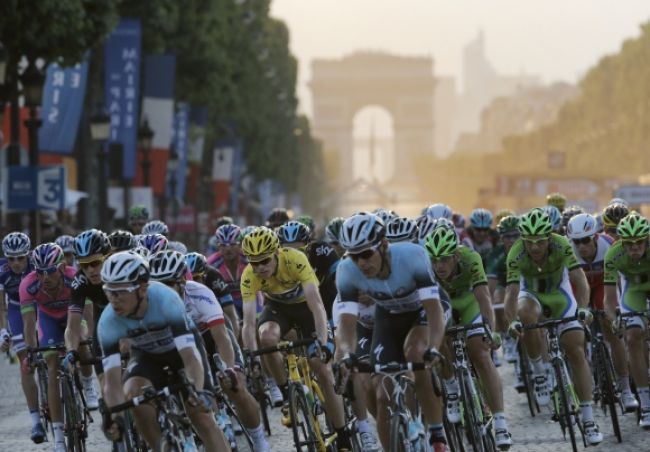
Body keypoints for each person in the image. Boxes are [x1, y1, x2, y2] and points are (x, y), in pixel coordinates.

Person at [335, 212, 448, 451]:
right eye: (354, 256)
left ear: (384, 245)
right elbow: (346, 323)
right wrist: (346, 353)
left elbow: (434, 310)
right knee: (383, 394)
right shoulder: (346, 270)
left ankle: (437, 432)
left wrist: (434, 348)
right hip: (388, 316)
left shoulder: (412, 256)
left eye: (366, 254)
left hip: (423, 310)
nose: (361, 263)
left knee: (416, 351)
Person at [98, 251, 229, 450]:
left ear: (142, 288)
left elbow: (190, 357)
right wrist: (116, 418)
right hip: (147, 356)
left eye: (121, 291)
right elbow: (112, 382)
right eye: (108, 291)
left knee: (200, 414)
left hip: (181, 352)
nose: (113, 299)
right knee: (133, 394)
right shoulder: (108, 322)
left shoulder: (167, 300)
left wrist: (196, 390)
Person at [239, 227, 353, 450]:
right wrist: (251, 356)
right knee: (266, 337)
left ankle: (343, 434)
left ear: (277, 252)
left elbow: (317, 306)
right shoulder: (249, 275)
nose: (260, 267)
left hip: (306, 310)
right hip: (278, 309)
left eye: (264, 261)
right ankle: (285, 392)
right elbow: (249, 321)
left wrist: (322, 341)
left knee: (321, 367)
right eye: (254, 263)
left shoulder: (296, 259)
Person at [150, 250, 270, 451]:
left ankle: (258, 440)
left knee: (236, 386)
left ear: (182, 280)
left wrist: (229, 370)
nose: (164, 289)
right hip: (177, 348)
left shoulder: (199, 293)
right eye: (159, 284)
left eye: (169, 283)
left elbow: (222, 338)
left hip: (211, 340)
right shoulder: (149, 301)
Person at [504, 208, 603, 445]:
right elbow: (511, 293)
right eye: (529, 242)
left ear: (549, 237)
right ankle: (539, 372)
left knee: (576, 350)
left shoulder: (561, 245)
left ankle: (589, 421)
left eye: (540, 241)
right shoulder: (516, 254)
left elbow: (579, 279)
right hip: (532, 295)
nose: (535, 247)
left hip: (560, 295)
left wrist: (583, 308)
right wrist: (512, 321)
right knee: (526, 314)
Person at [425, 227, 512, 449]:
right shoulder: (423, 266)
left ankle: (500, 421)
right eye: (435, 260)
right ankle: (451, 387)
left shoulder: (471, 258)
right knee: (440, 340)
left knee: (480, 353)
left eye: (444, 260)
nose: (439, 266)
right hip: (441, 306)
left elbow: (483, 296)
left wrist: (489, 331)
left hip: (468, 303)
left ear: (456, 255)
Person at [20, 243, 85, 452]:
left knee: (82, 343)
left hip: (72, 315)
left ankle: (88, 385)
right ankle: (58, 437)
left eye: (49, 272)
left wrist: (88, 338)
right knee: (51, 364)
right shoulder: (28, 285)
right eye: (39, 272)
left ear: (61, 267)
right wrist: (31, 351)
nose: (44, 278)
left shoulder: (75, 277)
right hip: (47, 319)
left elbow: (88, 314)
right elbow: (29, 324)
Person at [603, 213, 650, 428]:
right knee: (632, 339)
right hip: (633, 291)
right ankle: (646, 404)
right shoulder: (613, 254)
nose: (634, 248)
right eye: (628, 243)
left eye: (639, 242)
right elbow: (609, 298)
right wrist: (614, 320)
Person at [0, 232, 43, 443]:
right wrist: (2, 332)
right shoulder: (1, 270)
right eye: (11, 258)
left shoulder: (37, 262)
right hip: (17, 310)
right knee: (25, 364)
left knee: (51, 350)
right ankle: (35, 419)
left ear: (28, 255)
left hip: (39, 306)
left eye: (21, 257)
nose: (16, 263)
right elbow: (0, 306)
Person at [64, 229, 113, 401]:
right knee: (106, 386)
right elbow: (72, 326)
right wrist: (71, 351)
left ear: (107, 256)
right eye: (84, 265)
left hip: (129, 316)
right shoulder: (80, 281)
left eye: (95, 262)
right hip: (104, 317)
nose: (90, 270)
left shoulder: (121, 269)